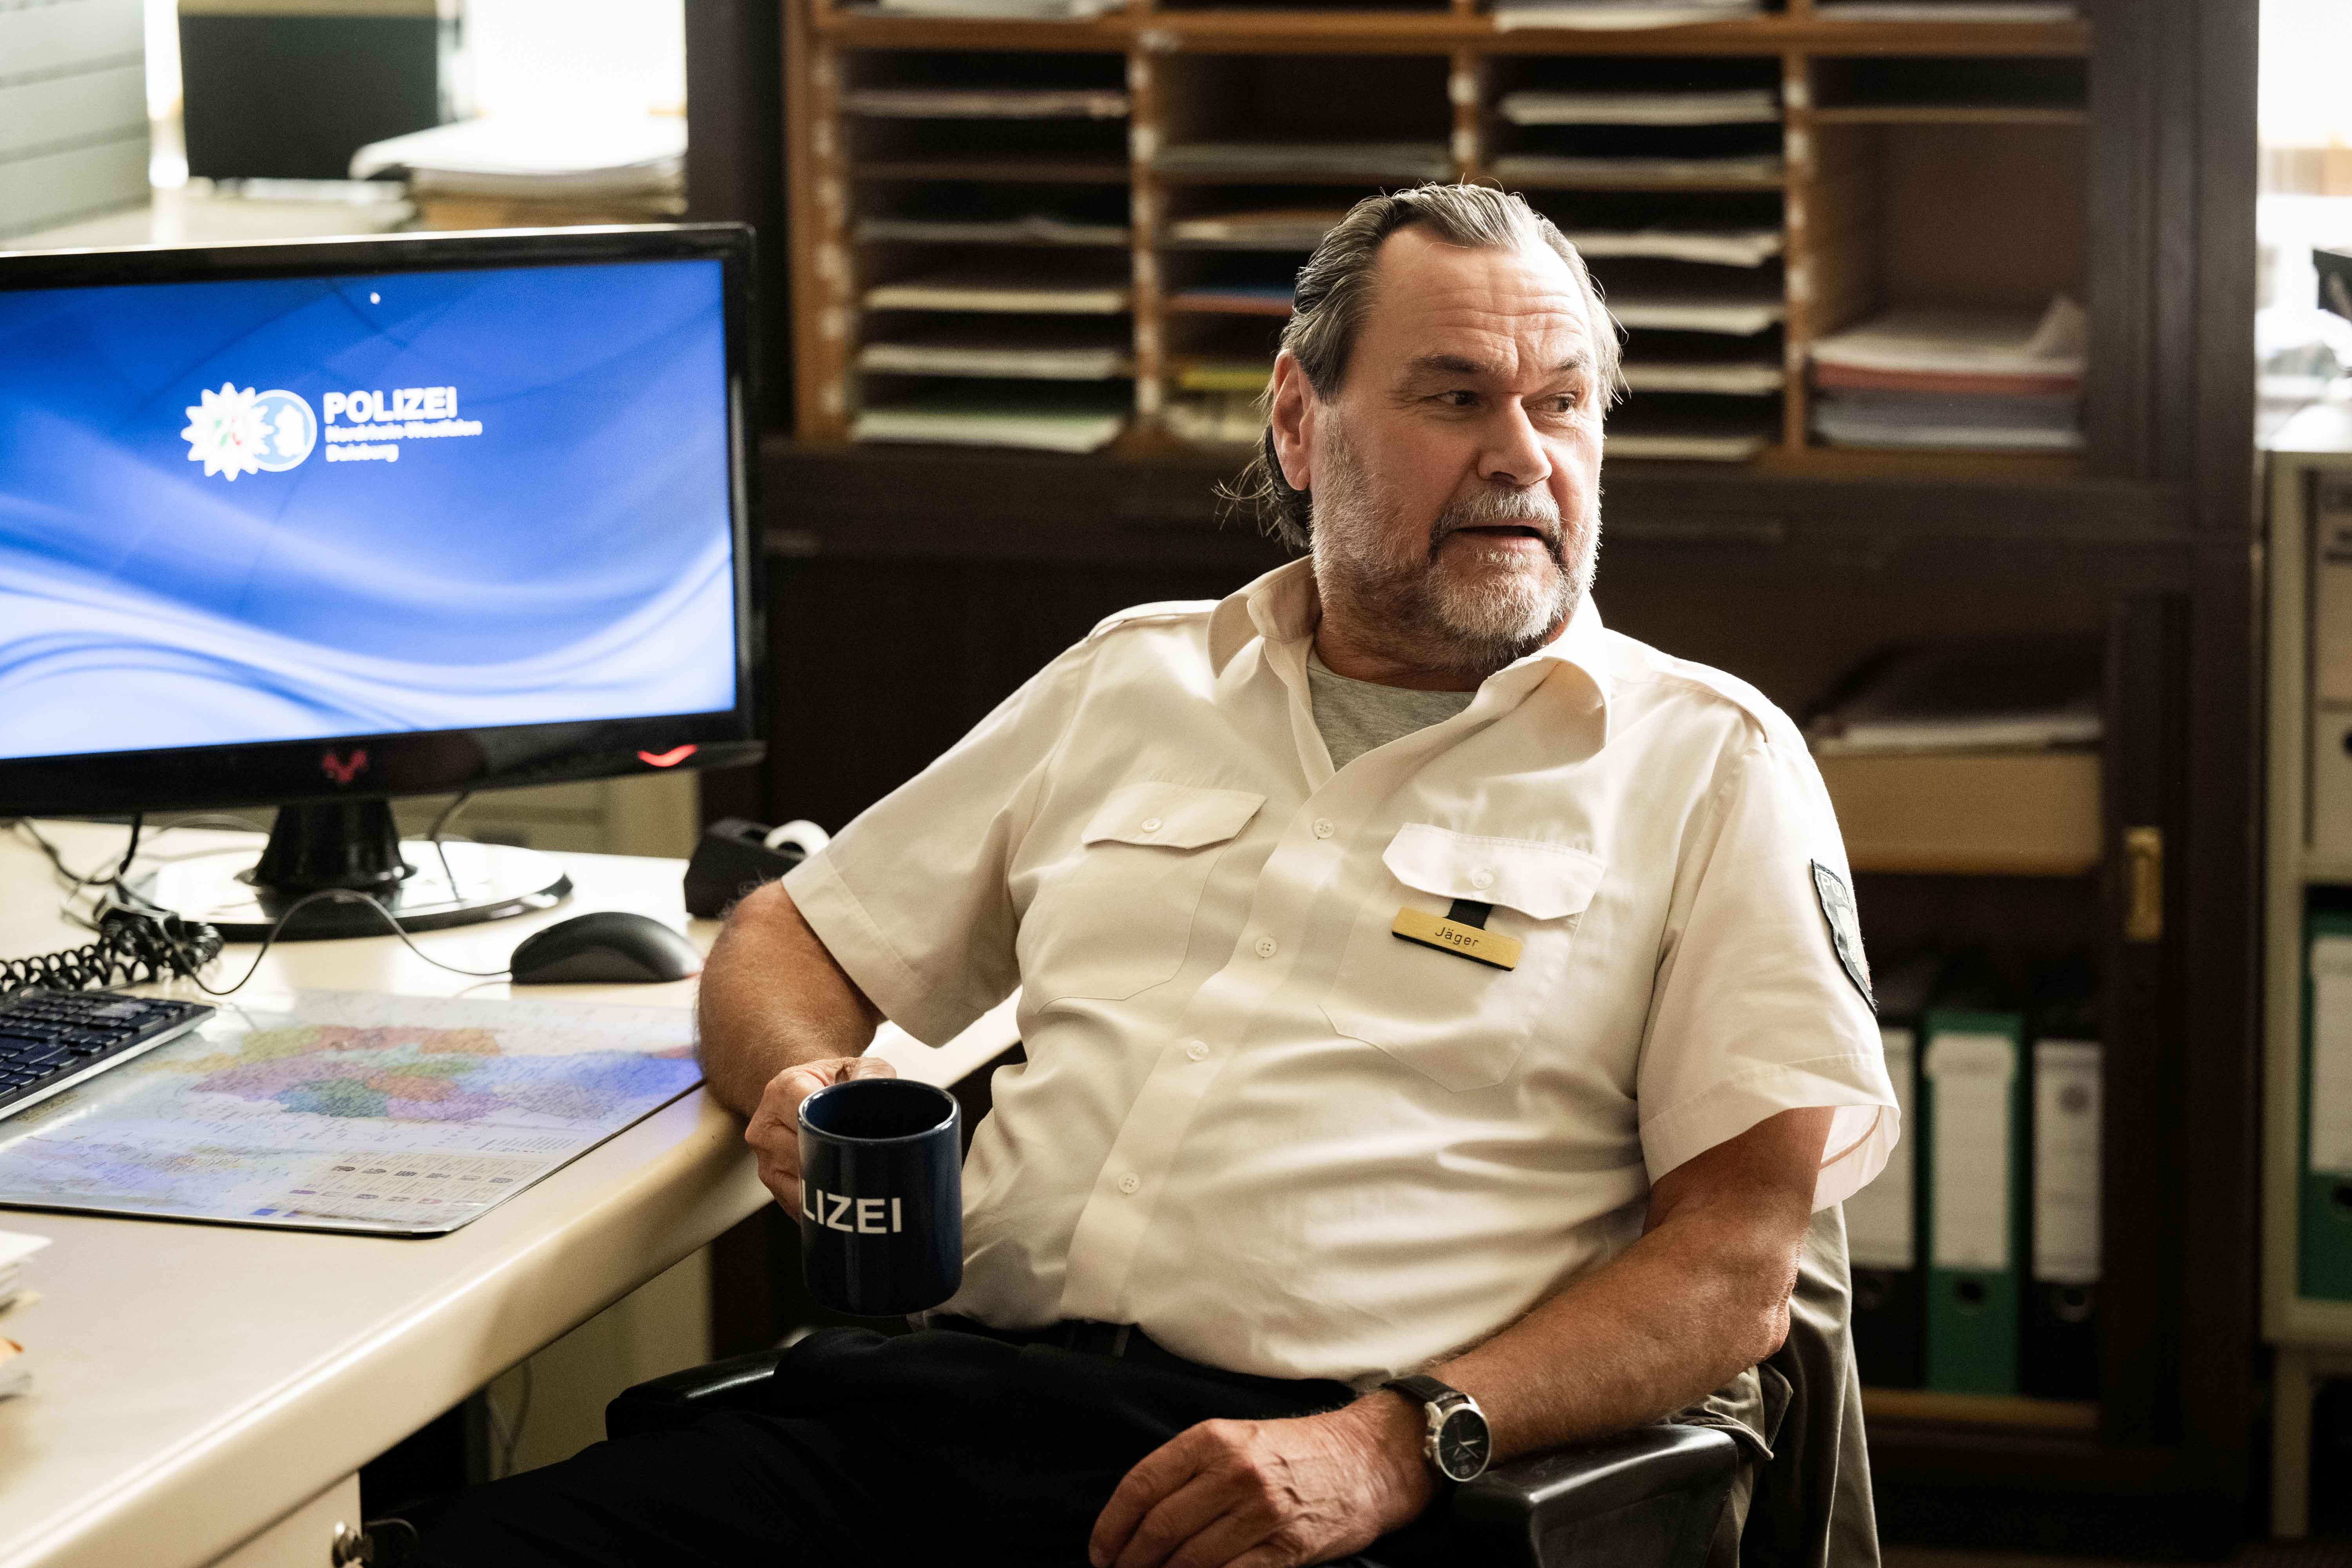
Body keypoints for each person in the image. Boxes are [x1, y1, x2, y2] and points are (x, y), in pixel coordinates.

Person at [414, 181, 1897, 1568]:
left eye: (1562, 403)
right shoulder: (1138, 678)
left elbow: (1732, 1274)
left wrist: (1398, 1442)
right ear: (1300, 421)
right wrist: (801, 1080)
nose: (1523, 455)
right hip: (932, 1415)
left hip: (1322, 1469)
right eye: (1455, 398)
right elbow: (792, 934)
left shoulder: (1709, 763)